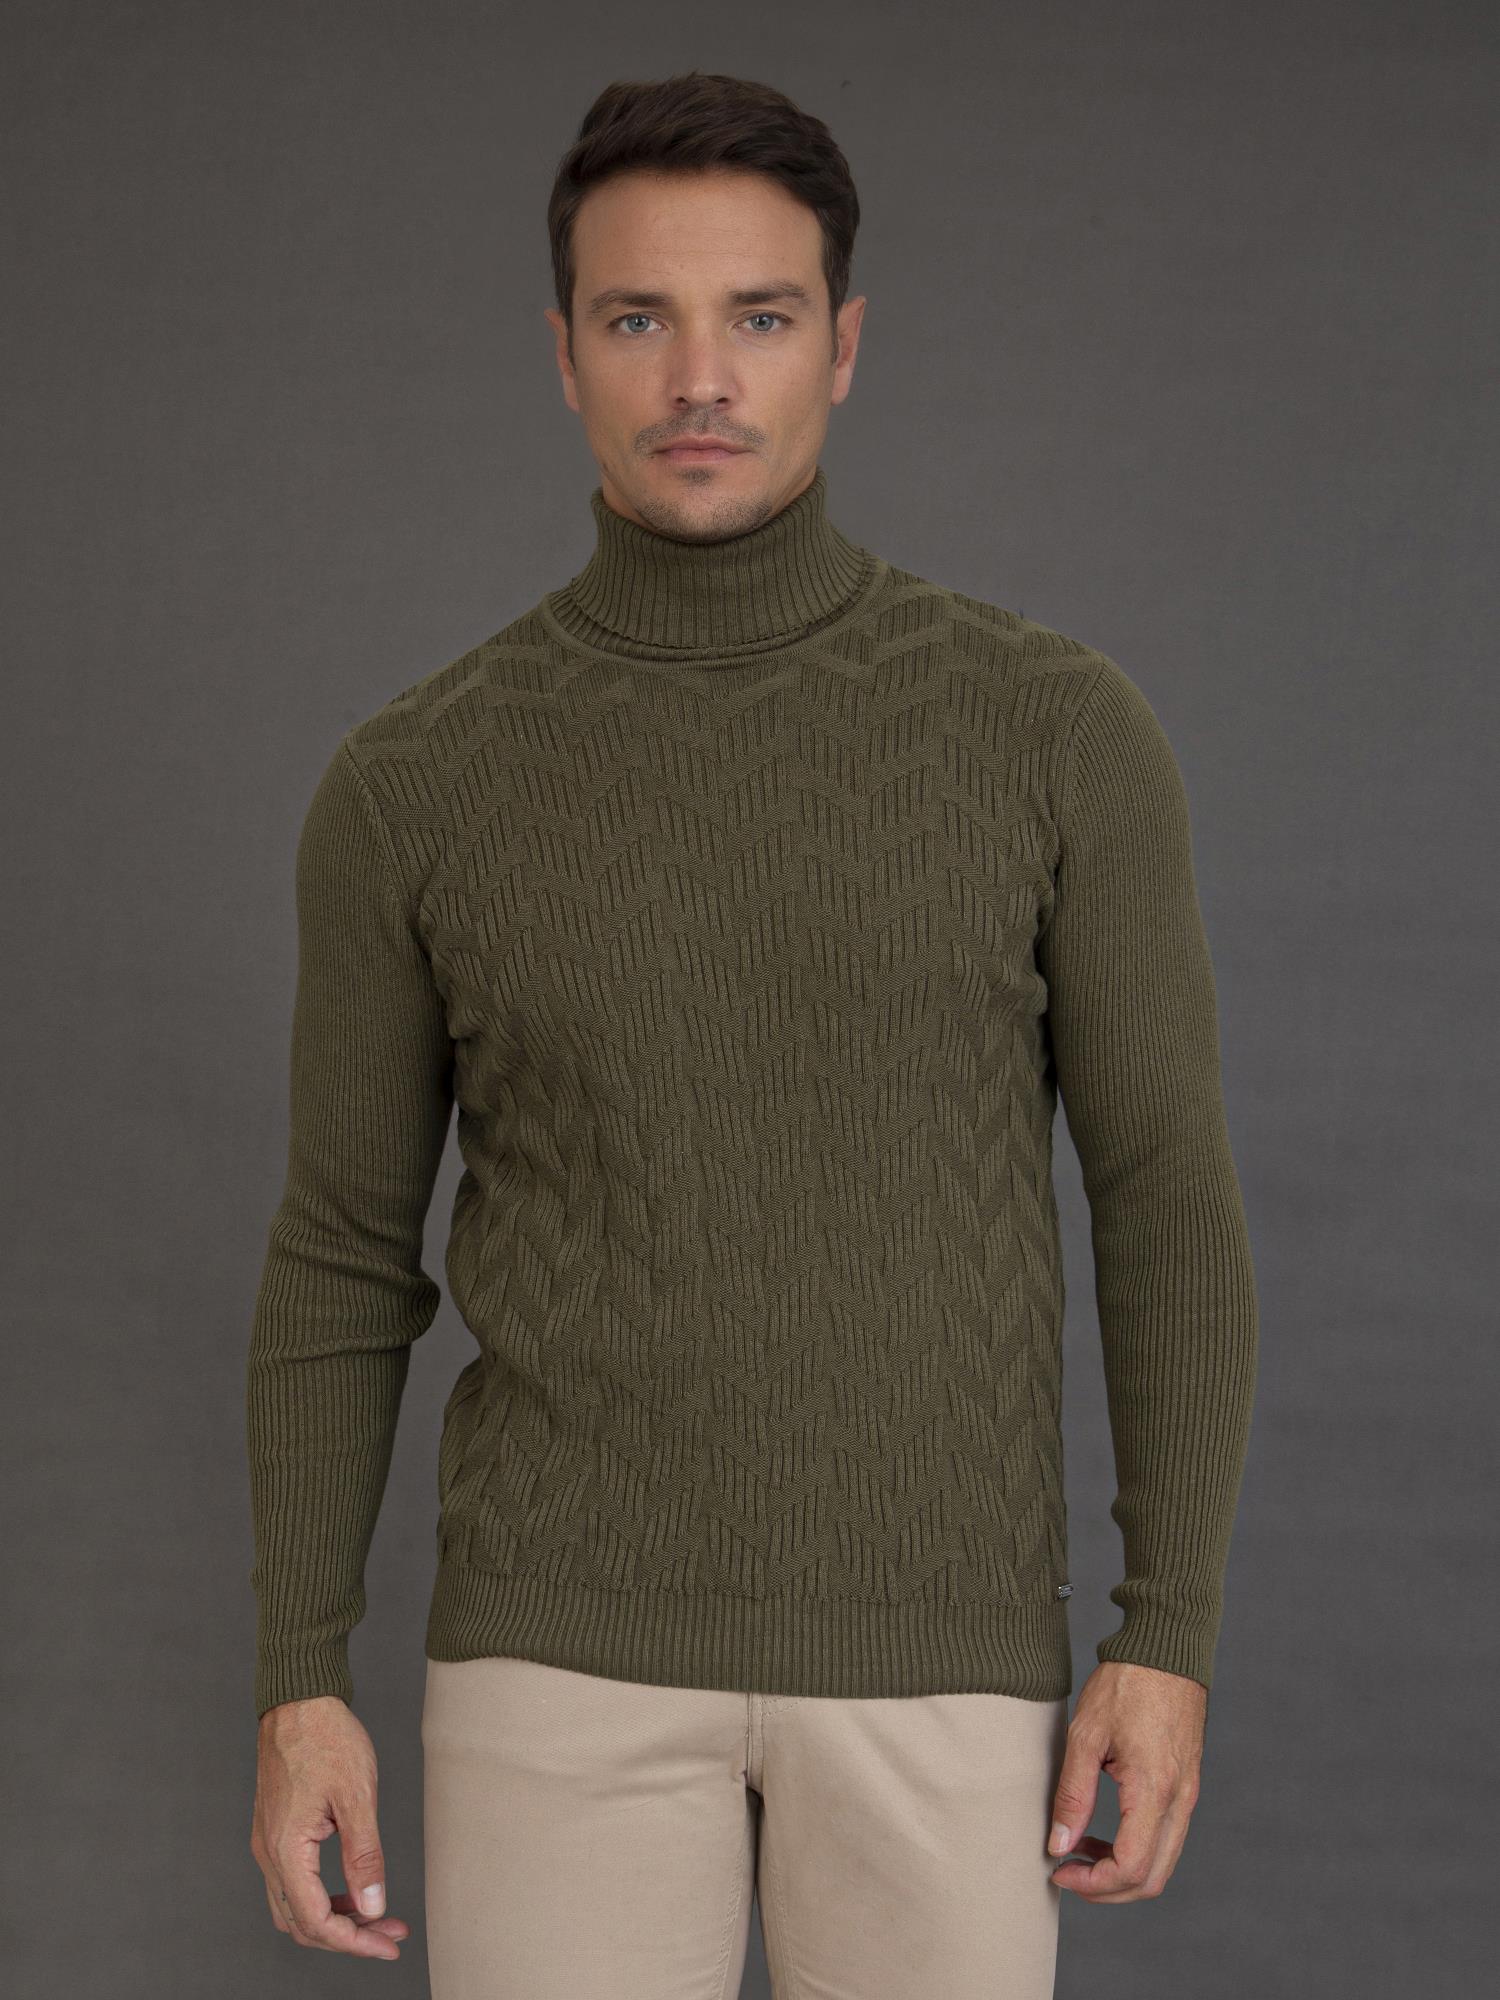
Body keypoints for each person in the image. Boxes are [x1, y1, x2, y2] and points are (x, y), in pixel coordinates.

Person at [246, 68, 1259, 1999]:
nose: (700, 376)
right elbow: (340, 1258)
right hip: (553, 1664)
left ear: (845, 347)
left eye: (761, 317)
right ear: (564, 353)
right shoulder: (415, 783)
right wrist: (301, 1675)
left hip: (944, 1667)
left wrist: (1169, 1627)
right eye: (640, 317)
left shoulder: (1053, 733)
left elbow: (1166, 1201)